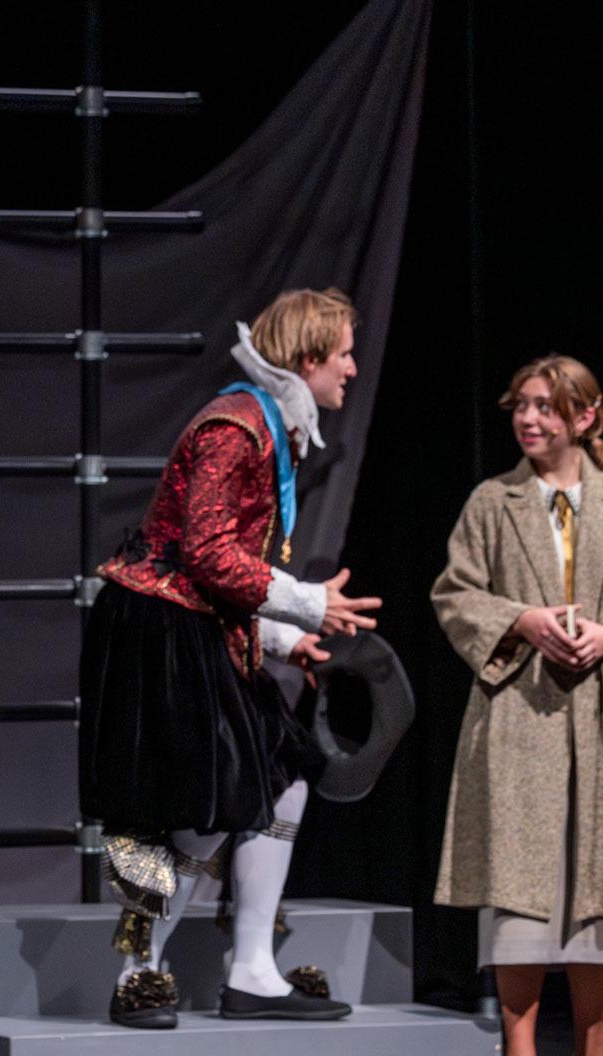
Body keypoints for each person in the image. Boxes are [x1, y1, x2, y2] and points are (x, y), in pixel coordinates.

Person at [80, 288, 384, 1027]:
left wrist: (283, 637)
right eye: (342, 353)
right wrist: (308, 603)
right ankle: (138, 974)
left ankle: (251, 969)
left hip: (195, 623)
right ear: (308, 358)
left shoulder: (271, 424)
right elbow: (207, 554)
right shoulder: (235, 426)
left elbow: (222, 566)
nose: (350, 367)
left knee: (280, 783)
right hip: (161, 631)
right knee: (198, 810)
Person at [430, 356, 603, 1056]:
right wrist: (522, 622)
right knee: (520, 885)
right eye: (520, 405)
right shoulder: (492, 501)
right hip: (521, 715)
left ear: (583, 417)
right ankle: (518, 1046)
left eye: (544, 406)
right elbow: (454, 594)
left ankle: (592, 1044)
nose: (528, 419)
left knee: (598, 882)